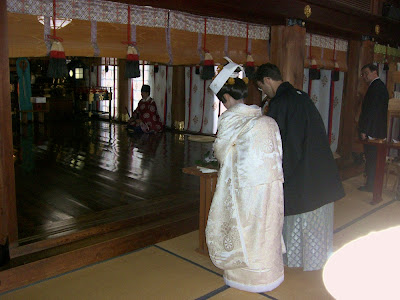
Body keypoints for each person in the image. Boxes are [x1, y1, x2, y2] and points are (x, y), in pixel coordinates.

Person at [254, 63, 345, 271]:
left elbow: (278, 142)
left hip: (300, 169)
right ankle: (317, 257)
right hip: (318, 166)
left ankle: (298, 259)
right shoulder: (301, 96)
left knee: (300, 215)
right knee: (315, 218)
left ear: (267, 80)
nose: (263, 92)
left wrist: (276, 172)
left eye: (261, 87)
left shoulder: (281, 102)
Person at [206, 58, 285, 293]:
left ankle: (246, 278)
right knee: (267, 228)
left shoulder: (231, 119)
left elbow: (220, 152)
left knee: (245, 229)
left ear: (227, 99)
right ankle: (269, 274)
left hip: (245, 188)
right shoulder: (266, 119)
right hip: (271, 186)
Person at [358, 63, 389, 192]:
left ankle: (371, 185)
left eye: (366, 73)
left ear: (374, 72)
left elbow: (372, 112)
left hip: (373, 130)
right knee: (372, 158)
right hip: (376, 129)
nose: (364, 76)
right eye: (363, 74)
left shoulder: (376, 88)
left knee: (372, 158)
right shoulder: (378, 86)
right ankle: (372, 184)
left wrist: (365, 130)